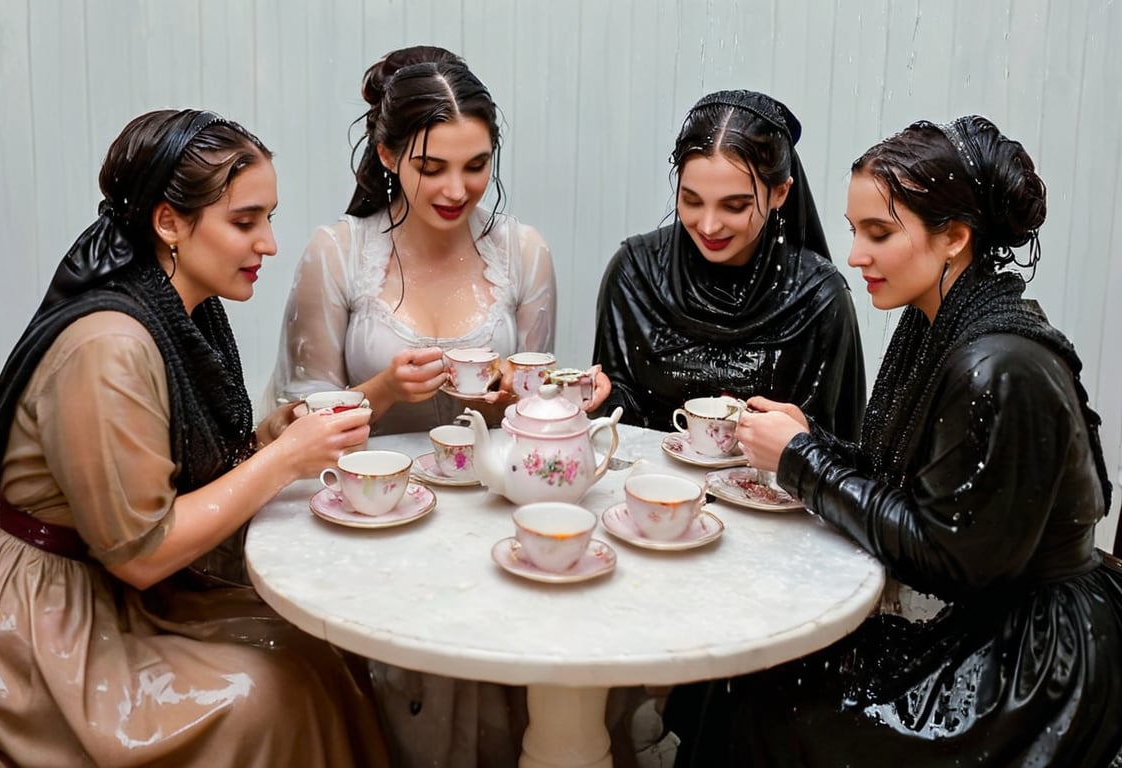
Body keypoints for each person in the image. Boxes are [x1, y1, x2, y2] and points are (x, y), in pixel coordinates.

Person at [665, 115, 1122, 766]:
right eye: (855, 232)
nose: (855, 256)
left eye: (879, 233)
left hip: (1038, 664)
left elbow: (945, 556)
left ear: (955, 237)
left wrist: (803, 462)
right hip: (998, 621)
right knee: (738, 667)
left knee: (765, 694)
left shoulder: (996, 367)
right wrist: (809, 439)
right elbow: (906, 478)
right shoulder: (940, 319)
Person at [0, 109, 387, 767]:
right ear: (169, 222)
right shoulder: (109, 347)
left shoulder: (184, 308)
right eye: (246, 221)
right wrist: (281, 460)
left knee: (324, 643)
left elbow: (174, 469)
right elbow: (142, 551)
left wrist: (269, 438)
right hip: (45, 612)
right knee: (269, 694)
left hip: (114, 582)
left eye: (269, 218)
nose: (270, 243)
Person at [265, 45, 605, 438]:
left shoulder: (523, 253)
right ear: (388, 156)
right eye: (431, 168)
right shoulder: (338, 254)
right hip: (371, 492)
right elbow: (294, 422)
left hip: (491, 490)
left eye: (476, 166)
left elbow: (531, 412)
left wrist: (555, 393)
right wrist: (384, 390)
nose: (457, 190)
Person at [592, 89, 865, 439]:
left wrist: (804, 439)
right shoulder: (634, 273)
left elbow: (841, 448)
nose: (708, 226)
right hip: (650, 488)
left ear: (781, 192)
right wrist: (597, 398)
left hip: (766, 493)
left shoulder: (819, 299)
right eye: (691, 200)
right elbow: (616, 414)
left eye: (734, 206)